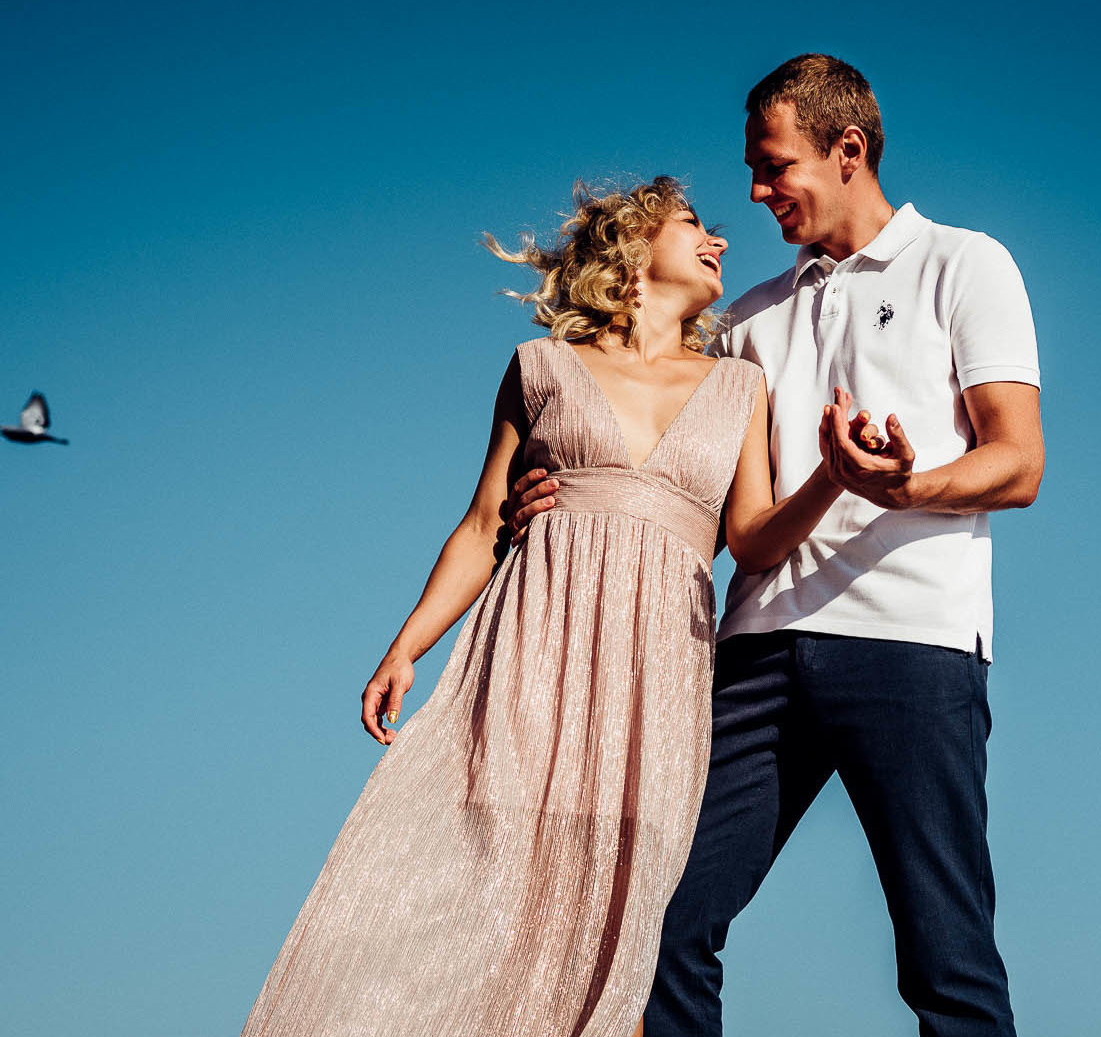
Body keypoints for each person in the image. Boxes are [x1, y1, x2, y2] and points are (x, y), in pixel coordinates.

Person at [509, 56, 1044, 1037]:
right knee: (660, 929)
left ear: (847, 150)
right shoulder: (744, 320)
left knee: (944, 954)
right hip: (755, 657)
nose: (754, 194)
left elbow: (1016, 461)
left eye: (773, 165)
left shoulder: (966, 264)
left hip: (912, 643)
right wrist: (561, 494)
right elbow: (695, 489)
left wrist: (906, 485)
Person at [241, 176, 849, 1037]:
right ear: (633, 251)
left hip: (656, 682)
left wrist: (834, 477)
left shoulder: (739, 387)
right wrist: (405, 647)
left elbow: (750, 539)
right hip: (533, 652)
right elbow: (486, 521)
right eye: (694, 226)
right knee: (494, 898)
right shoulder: (542, 370)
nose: (719, 241)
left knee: (625, 928)